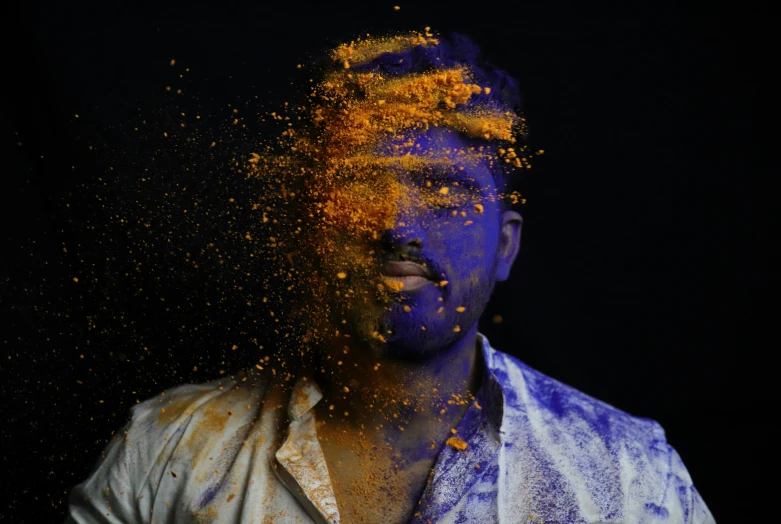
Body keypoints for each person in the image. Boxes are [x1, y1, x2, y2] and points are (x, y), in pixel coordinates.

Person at [66, 30, 714, 523]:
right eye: (358, 184)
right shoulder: (164, 453)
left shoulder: (626, 474)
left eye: (443, 190)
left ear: (505, 248)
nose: (396, 224)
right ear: (308, 226)